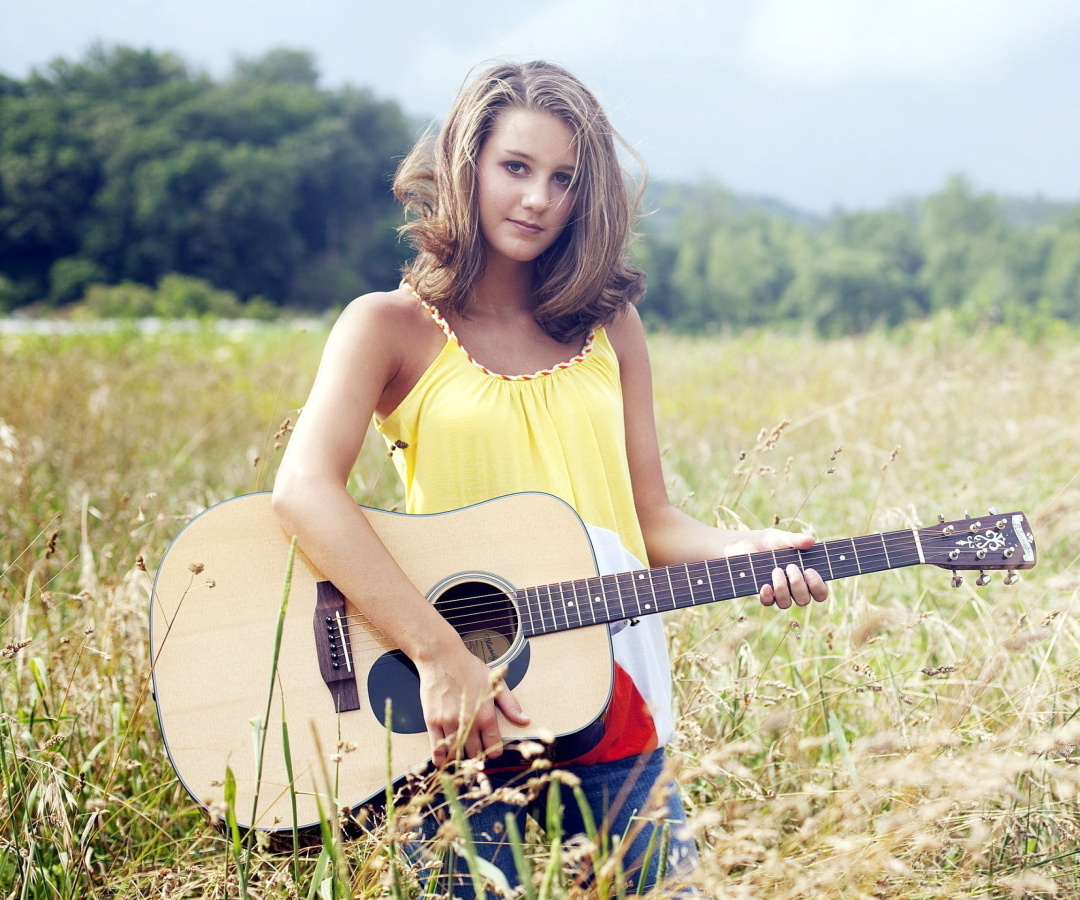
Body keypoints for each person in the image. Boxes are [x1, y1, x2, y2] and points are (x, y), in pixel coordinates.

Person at [271, 60, 828, 899]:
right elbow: (303, 492)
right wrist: (439, 654)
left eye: (563, 179)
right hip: (461, 700)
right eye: (516, 168)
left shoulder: (610, 326)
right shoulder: (386, 327)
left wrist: (742, 548)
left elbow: (649, 520)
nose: (537, 199)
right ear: (468, 167)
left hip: (611, 685)